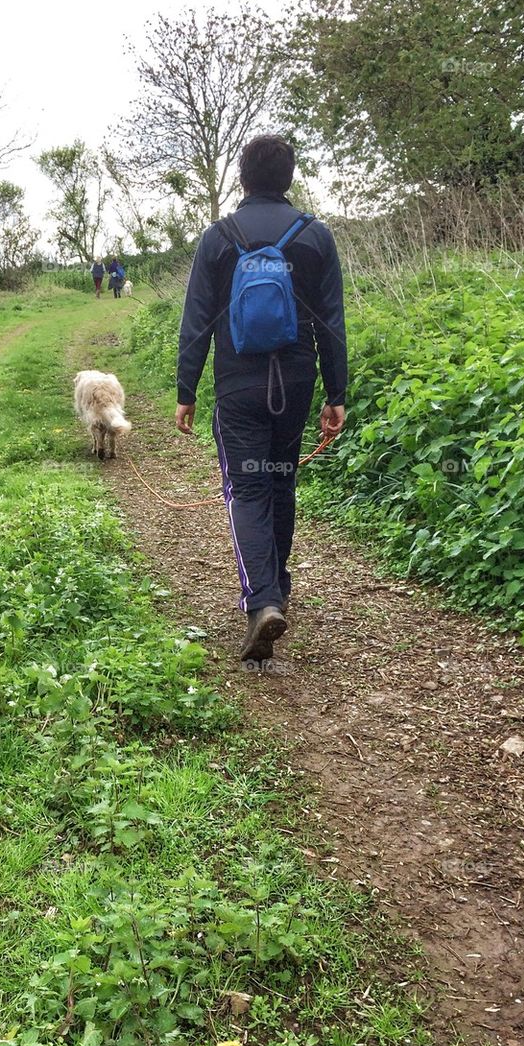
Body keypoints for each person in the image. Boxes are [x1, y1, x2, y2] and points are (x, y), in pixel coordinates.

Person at [175, 134, 347, 664]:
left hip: (238, 386)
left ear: (243, 178)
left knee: (247, 489)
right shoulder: (314, 235)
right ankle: (278, 587)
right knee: (279, 480)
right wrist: (336, 393)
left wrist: (186, 389)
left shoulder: (218, 237)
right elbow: (331, 322)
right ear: (289, 177)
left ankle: (263, 600)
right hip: (295, 384)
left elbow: (197, 318)